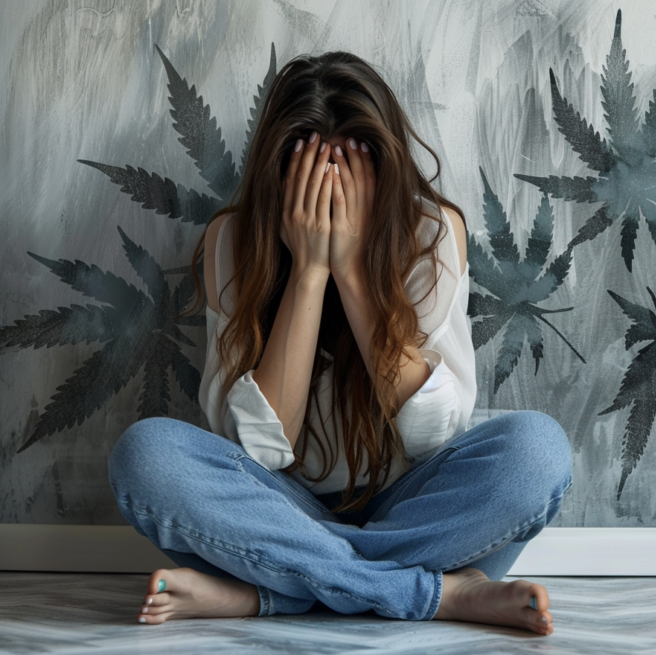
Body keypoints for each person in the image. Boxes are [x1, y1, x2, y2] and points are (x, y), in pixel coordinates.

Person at [106, 50, 573, 636]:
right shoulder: (235, 239)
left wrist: (353, 272)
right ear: (280, 179)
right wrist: (308, 269)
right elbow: (256, 451)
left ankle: (267, 592)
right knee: (146, 455)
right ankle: (433, 594)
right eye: (309, 180)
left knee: (537, 451)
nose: (329, 201)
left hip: (413, 508)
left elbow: (432, 437)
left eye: (349, 178)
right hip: (279, 508)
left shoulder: (430, 233)